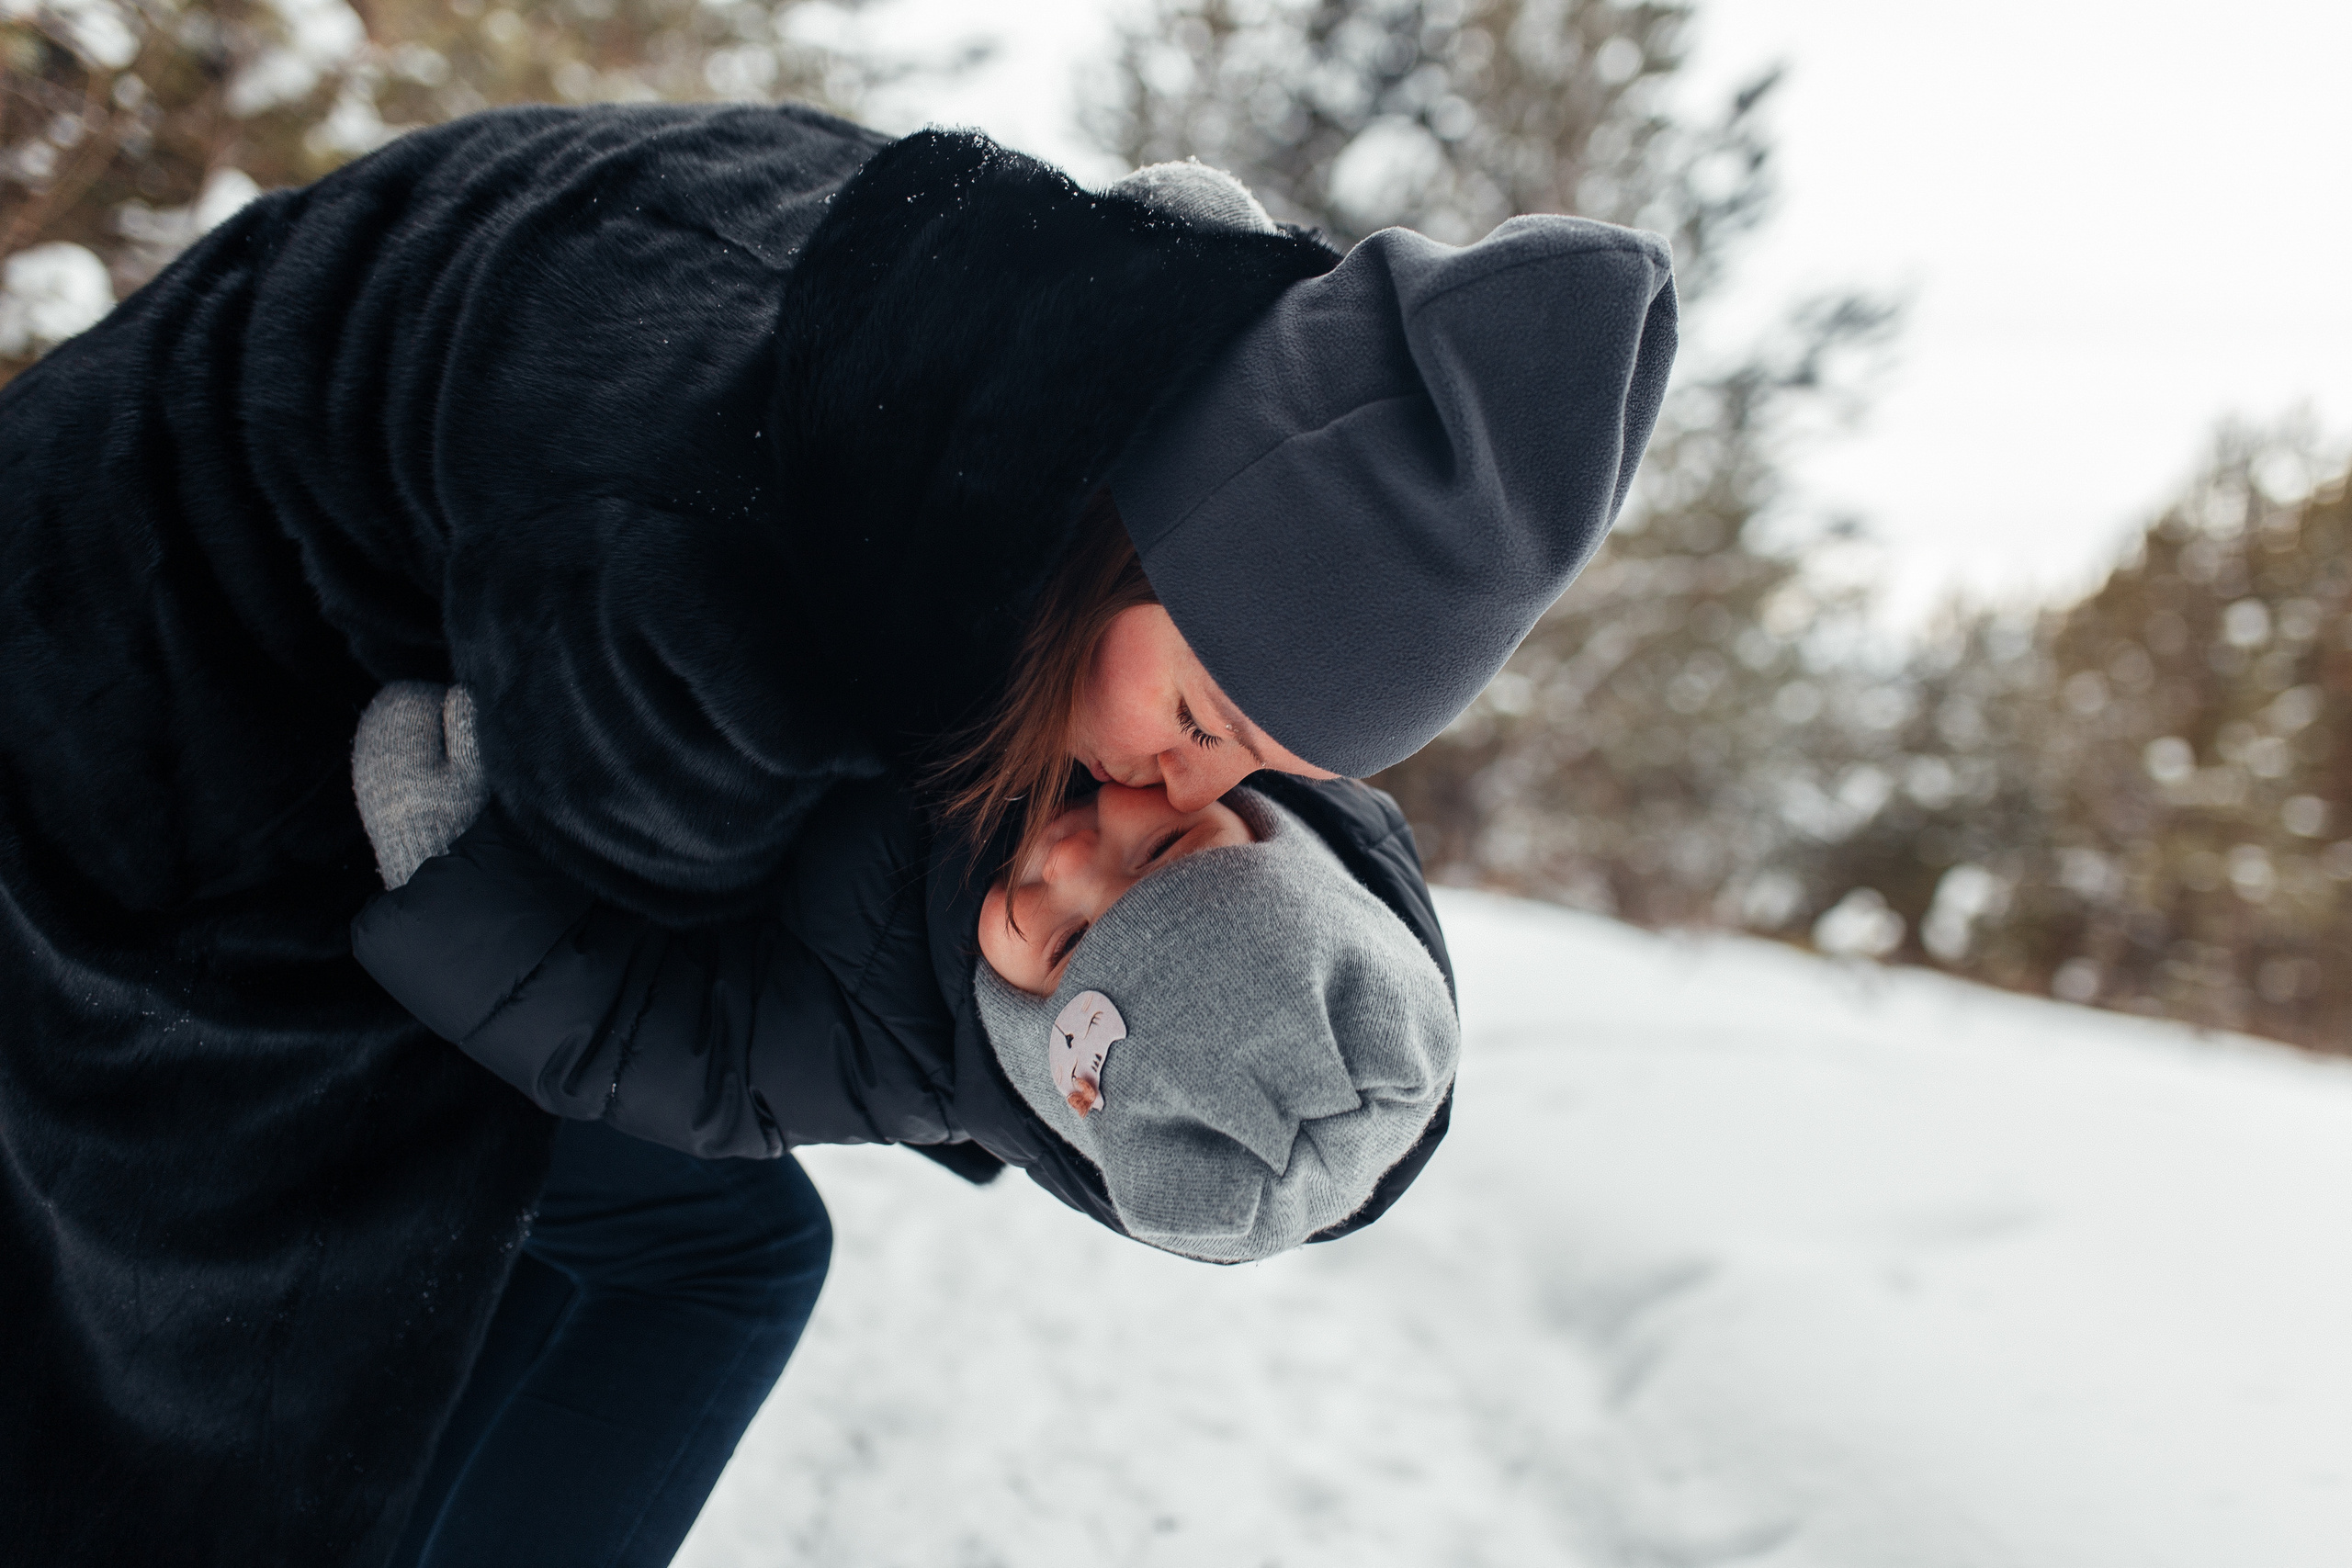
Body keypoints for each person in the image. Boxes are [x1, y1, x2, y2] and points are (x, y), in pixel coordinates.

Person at [0, 96, 1673, 1563]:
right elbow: (632, 970)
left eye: (1256, 781)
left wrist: (1299, 1007)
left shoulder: (1072, 362)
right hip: (151, 688)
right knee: (290, 1359)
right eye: (1198, 726)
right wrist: (1055, 1018)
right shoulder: (708, 606)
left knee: (696, 1250)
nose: (1176, 795)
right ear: (1142, 537)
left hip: (344, 564)